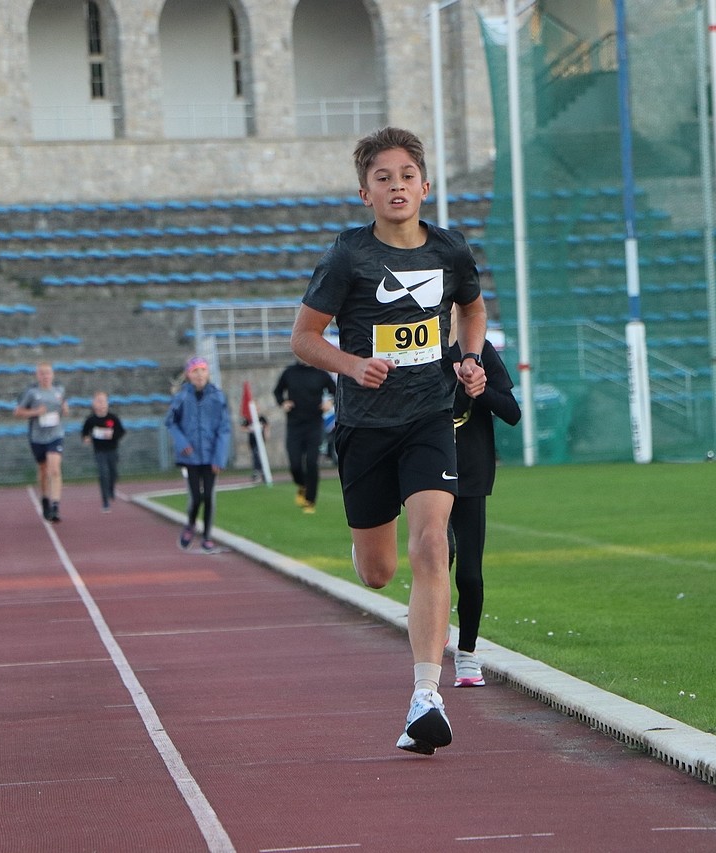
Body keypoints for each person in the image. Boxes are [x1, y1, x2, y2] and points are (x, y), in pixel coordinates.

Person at [290, 126, 488, 755]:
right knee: (378, 573)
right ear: (365, 194)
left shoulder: (450, 250)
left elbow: (473, 308)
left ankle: (426, 697)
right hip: (364, 427)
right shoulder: (348, 256)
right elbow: (303, 338)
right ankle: (372, 552)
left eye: (406, 176)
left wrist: (469, 358)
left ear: (424, 186)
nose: (396, 186)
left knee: (432, 543)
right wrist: (352, 365)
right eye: (383, 178)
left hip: (429, 419)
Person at [447, 336, 520, 688]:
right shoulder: (416, 343)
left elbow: (512, 413)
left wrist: (479, 389)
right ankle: (433, 627)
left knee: (470, 575)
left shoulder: (479, 350)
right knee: (437, 555)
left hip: (471, 471)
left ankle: (467, 652)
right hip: (424, 469)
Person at [165, 356, 232, 553]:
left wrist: (219, 458)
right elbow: (170, 422)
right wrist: (182, 442)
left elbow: (224, 429)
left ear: (208, 373)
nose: (200, 374)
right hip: (191, 457)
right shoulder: (182, 397)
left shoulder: (218, 397)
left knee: (209, 497)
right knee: (196, 497)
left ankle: (207, 537)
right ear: (189, 375)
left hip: (211, 456)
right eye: (195, 371)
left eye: (203, 370)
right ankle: (191, 524)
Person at [273, 357, 336, 513]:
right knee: (295, 463)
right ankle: (302, 484)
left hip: (314, 424)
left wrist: (330, 402)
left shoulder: (321, 373)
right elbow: (277, 391)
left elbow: (336, 390)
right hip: (294, 425)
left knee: (311, 462)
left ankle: (310, 501)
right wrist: (283, 402)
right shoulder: (289, 372)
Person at [14, 361, 68, 522]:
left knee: (55, 469)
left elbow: (64, 409)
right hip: (37, 436)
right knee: (43, 470)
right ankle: (45, 499)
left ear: (52, 375)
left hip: (56, 434)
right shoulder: (32, 393)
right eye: (42, 373)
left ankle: (56, 506)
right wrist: (36, 412)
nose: (45, 376)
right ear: (37, 375)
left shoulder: (59, 391)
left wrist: (65, 409)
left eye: (48, 373)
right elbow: (18, 412)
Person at [81, 390, 126, 511]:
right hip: (99, 451)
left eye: (103, 401)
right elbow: (85, 432)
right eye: (98, 401)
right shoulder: (91, 420)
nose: (101, 404)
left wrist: (112, 435)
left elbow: (121, 431)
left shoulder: (113, 418)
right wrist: (86, 438)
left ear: (107, 403)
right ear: (93, 403)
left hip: (112, 450)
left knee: (113, 473)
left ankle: (111, 489)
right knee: (103, 474)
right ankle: (105, 501)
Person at [241, 409, 269, 482]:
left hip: (261, 441)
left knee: (259, 455)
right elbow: (242, 428)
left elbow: (266, 426)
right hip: (253, 441)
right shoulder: (248, 419)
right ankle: (258, 471)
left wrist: (266, 435)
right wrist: (250, 430)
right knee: (255, 455)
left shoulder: (261, 418)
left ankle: (261, 471)